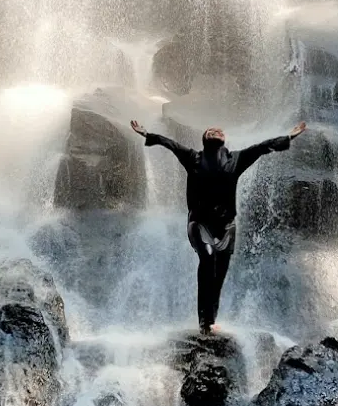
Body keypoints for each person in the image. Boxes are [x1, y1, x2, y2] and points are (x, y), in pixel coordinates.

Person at [130, 119, 307, 334]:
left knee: (219, 275)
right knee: (207, 260)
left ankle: (210, 321)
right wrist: (147, 134)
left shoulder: (237, 159)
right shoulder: (193, 157)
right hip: (199, 223)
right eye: (210, 130)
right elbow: (170, 144)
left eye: (219, 130)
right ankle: (204, 322)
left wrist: (288, 137)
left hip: (226, 227)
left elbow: (262, 147)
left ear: (224, 140)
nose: (215, 130)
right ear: (204, 139)